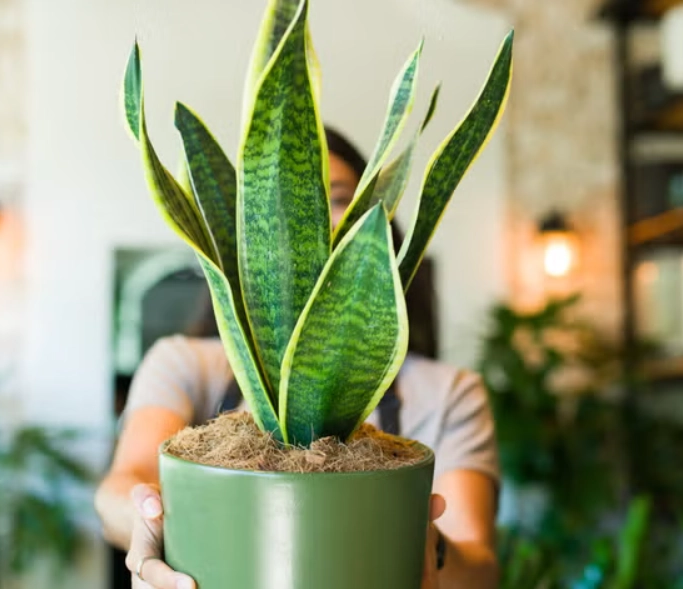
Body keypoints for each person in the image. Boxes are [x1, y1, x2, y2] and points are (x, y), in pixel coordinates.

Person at [95, 127, 501, 589]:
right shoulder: (184, 362)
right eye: (285, 212)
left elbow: (481, 568)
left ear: (379, 225)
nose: (311, 223)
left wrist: (428, 546)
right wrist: (149, 523)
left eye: (337, 198)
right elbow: (120, 488)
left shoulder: (448, 392)